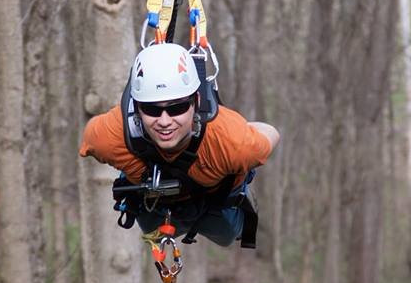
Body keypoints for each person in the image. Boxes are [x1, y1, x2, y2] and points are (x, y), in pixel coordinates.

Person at [79, 42, 280, 247]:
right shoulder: (108, 137)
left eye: (178, 108)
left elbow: (271, 134)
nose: (165, 122)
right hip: (154, 205)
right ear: (137, 108)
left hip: (217, 204)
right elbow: (89, 140)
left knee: (225, 234)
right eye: (152, 110)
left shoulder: (234, 143)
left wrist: (245, 132)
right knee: (152, 230)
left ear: (196, 102)